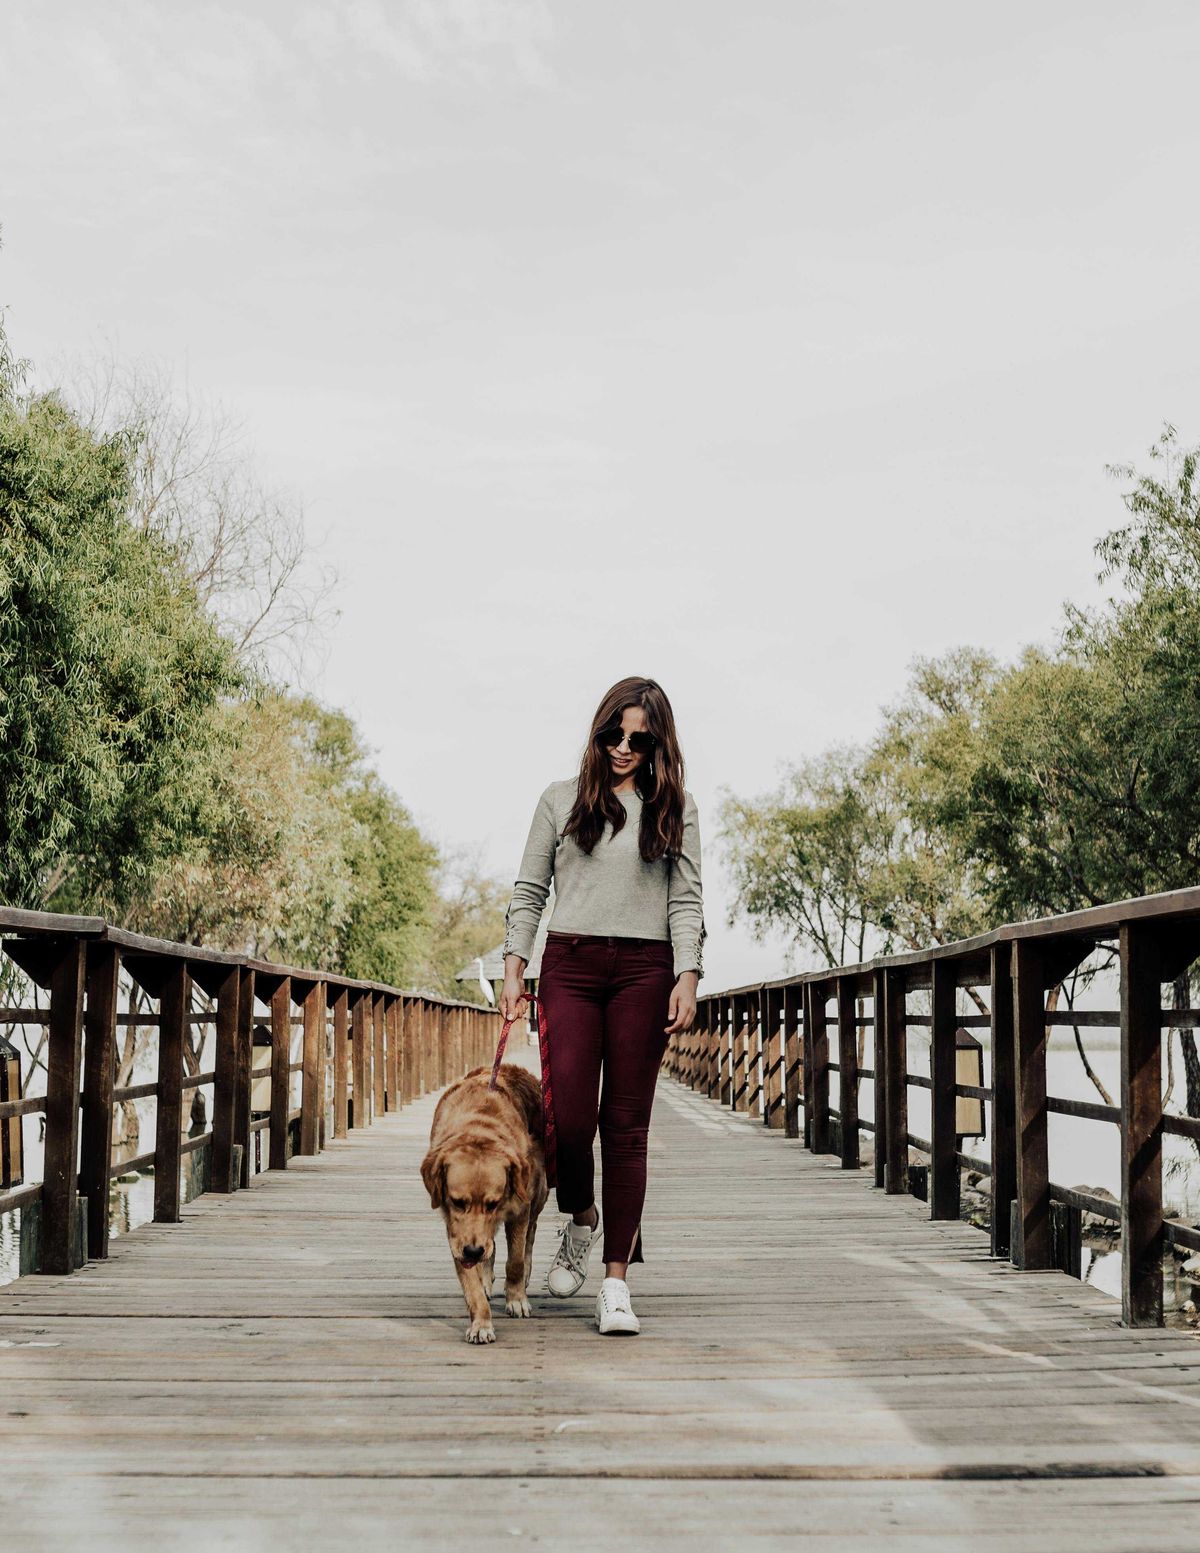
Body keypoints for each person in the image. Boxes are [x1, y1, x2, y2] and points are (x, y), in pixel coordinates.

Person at [500, 676, 705, 1335]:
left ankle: (616, 1281)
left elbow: (686, 900)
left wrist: (689, 973)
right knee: (569, 1122)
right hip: (571, 965)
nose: (623, 745)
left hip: (646, 969)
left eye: (639, 738)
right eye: (613, 732)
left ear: (657, 744)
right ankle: (582, 1217)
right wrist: (513, 966)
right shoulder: (559, 800)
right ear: (597, 730)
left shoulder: (676, 807)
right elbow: (530, 890)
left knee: (626, 1127)